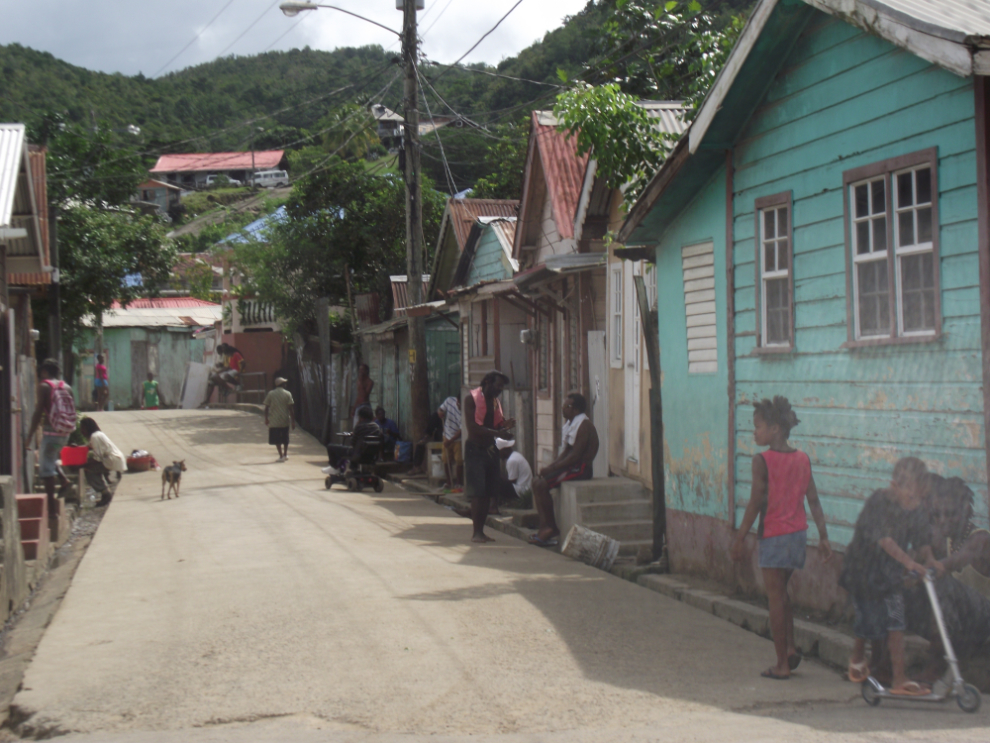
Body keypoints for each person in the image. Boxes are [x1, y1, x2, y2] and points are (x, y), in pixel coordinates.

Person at [729, 396, 833, 680]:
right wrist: (823, 537)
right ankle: (789, 648)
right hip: (797, 536)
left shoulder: (762, 461)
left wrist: (739, 538)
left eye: (758, 427)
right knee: (782, 593)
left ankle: (781, 665)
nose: (754, 432)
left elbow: (754, 503)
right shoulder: (802, 459)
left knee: (775, 598)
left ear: (775, 429)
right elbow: (814, 500)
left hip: (773, 536)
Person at [839, 456, 932, 696]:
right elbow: (885, 540)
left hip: (890, 574)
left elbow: (922, 540)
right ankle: (858, 655)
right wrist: (909, 562)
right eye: (911, 497)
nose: (915, 504)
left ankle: (899, 678)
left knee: (896, 622)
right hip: (864, 573)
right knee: (869, 622)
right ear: (895, 487)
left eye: (920, 498)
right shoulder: (879, 502)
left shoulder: (915, 508)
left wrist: (929, 560)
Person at [909, 476, 990, 682]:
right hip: (963, 628)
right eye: (938, 514)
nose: (943, 520)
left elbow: (952, 563)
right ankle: (884, 664)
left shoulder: (981, 540)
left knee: (939, 582)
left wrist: (926, 567)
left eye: (950, 514)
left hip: (984, 626)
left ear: (966, 510)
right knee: (900, 590)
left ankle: (934, 669)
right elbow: (912, 560)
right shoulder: (944, 539)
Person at [529, 392, 599, 547]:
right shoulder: (571, 424)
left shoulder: (584, 426)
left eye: (566, 406)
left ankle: (551, 528)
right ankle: (545, 525)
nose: (563, 409)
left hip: (581, 469)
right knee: (536, 482)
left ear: (574, 409)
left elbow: (575, 456)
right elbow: (566, 451)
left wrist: (553, 468)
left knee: (542, 484)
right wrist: (550, 467)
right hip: (571, 467)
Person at [462, 371, 515, 543]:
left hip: (490, 448)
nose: (500, 389)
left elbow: (497, 425)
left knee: (488, 491)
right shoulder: (471, 399)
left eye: (501, 386)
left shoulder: (494, 403)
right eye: (498, 385)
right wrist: (497, 432)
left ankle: (481, 532)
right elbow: (473, 427)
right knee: (478, 492)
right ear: (487, 382)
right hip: (475, 449)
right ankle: (476, 533)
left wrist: (505, 426)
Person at [25, 358, 77, 520]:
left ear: (45, 372)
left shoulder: (44, 386)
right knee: (51, 457)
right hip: (65, 433)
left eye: (41, 372)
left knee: (46, 471)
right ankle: (64, 480)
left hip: (51, 432)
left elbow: (38, 412)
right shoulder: (67, 387)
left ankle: (52, 512)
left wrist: (30, 436)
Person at [79, 417, 126, 507]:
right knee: (93, 468)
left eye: (82, 428)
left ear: (87, 427)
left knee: (89, 470)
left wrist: (83, 464)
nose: (81, 431)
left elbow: (97, 458)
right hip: (114, 459)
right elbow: (88, 447)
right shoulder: (98, 434)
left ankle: (105, 493)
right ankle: (104, 490)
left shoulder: (94, 437)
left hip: (112, 460)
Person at [325, 406, 381, 474]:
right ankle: (353, 467)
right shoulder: (377, 427)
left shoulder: (359, 426)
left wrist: (354, 433)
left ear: (361, 417)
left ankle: (335, 467)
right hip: (371, 455)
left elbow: (352, 443)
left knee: (330, 447)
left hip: (357, 454)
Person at [263, 377, 295, 463]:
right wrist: (293, 421)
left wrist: (266, 419)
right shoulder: (288, 393)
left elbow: (266, 408)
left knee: (277, 439)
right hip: (285, 420)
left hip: (274, 420)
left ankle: (280, 455)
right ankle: (285, 454)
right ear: (283, 385)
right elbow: (290, 409)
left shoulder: (271, 394)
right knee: (285, 438)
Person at [497, 438, 532, 507]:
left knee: (496, 483)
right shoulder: (515, 455)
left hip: (522, 490)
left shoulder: (512, 460)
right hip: (524, 488)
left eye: (498, 452)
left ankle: (496, 504)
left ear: (504, 450)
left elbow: (512, 481)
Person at [438, 395, 463, 490]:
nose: (460, 406)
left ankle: (459, 483)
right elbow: (440, 409)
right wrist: (440, 412)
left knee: (459, 461)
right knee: (446, 459)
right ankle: (448, 482)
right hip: (447, 434)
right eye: (459, 404)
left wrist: (451, 441)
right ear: (457, 401)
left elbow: (461, 430)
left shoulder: (465, 412)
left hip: (458, 439)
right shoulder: (449, 401)